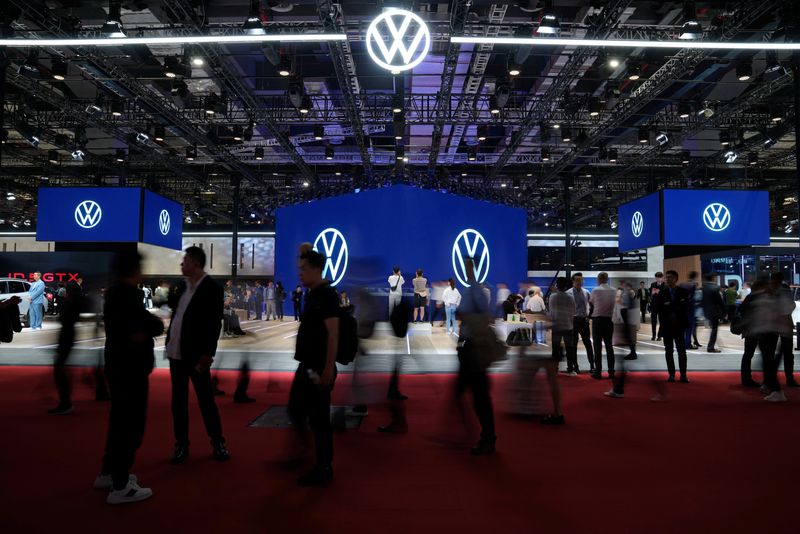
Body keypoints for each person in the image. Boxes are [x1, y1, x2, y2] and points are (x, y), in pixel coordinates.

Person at [95, 251, 164, 504]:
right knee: (131, 426)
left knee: (118, 422)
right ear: (135, 270)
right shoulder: (128, 296)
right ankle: (121, 484)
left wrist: (144, 329)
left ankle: (108, 472)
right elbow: (151, 326)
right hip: (131, 368)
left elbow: (141, 328)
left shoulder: (113, 294)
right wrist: (149, 328)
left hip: (116, 365)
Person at [165, 246, 229, 465]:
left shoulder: (212, 288)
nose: (182, 264)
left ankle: (218, 442)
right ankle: (181, 444)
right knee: (178, 402)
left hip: (196, 356)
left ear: (195, 262)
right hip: (176, 353)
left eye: (185, 260)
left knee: (206, 401)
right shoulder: (181, 287)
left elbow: (213, 324)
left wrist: (208, 354)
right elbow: (177, 316)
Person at [288, 248, 340, 485]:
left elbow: (333, 334)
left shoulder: (327, 295)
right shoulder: (313, 293)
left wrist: (328, 368)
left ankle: (323, 466)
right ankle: (306, 453)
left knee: (319, 418)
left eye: (304, 269)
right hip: (308, 365)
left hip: (318, 367)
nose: (300, 273)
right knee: (297, 409)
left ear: (317, 270)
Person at [455, 257, 497, 455]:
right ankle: (471, 433)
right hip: (467, 348)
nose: (465, 269)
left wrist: (465, 316)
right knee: (468, 394)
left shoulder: (477, 290)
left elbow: (483, 314)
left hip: (474, 349)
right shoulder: (470, 290)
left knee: (479, 396)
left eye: (467, 265)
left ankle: (487, 437)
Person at [48, 277, 83, 415]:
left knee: (59, 369)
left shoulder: (70, 304)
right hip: (68, 336)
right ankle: (65, 401)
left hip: (66, 336)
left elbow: (64, 319)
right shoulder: (75, 303)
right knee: (61, 369)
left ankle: (65, 402)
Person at [655, 270, 690, 383]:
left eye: (670, 277)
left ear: (676, 279)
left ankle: (683, 375)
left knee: (681, 351)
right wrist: (675, 304)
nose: (668, 279)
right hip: (667, 326)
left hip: (679, 326)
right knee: (668, 351)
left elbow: (685, 307)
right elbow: (659, 309)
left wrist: (670, 304)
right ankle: (671, 375)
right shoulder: (662, 292)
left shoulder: (683, 291)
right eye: (667, 277)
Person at [770, 273, 799, 388]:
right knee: (787, 353)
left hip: (772, 323)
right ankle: (789, 379)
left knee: (770, 352)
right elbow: (791, 305)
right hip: (785, 322)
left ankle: (770, 380)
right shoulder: (785, 289)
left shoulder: (768, 289)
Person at [590, 272, 616, 380]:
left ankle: (598, 372)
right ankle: (611, 372)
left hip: (597, 320)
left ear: (599, 279)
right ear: (607, 279)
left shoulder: (596, 290)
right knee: (609, 346)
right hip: (609, 320)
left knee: (597, 347)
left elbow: (591, 302)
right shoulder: (614, 290)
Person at [566, 273, 594, 374]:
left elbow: (592, 305)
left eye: (581, 280)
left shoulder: (586, 292)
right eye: (578, 280)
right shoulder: (568, 293)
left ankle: (592, 365)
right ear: (573, 281)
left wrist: (589, 317)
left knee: (588, 344)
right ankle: (575, 366)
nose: (580, 282)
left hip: (583, 320)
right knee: (574, 345)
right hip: (573, 320)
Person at [702, 274, 724, 353]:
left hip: (707, 311)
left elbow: (703, 301)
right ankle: (710, 347)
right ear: (713, 278)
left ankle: (711, 346)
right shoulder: (715, 288)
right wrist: (724, 312)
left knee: (712, 329)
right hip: (715, 311)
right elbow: (720, 302)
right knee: (714, 329)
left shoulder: (704, 288)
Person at [679, 272, 700, 350]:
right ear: (695, 277)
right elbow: (692, 298)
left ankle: (682, 343)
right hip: (690, 308)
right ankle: (687, 344)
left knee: (682, 328)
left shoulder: (682, 284)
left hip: (682, 308)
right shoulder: (693, 285)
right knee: (689, 327)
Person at [618, 281, 638, 361]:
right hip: (626, 312)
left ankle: (633, 353)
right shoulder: (627, 292)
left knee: (628, 334)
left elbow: (625, 303)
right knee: (627, 334)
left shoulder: (629, 292)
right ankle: (632, 352)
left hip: (627, 313)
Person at [649, 272, 665, 340]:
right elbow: (650, 294)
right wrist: (652, 293)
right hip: (654, 306)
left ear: (662, 278)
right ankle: (653, 335)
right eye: (656, 277)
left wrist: (659, 292)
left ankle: (659, 335)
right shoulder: (653, 284)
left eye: (659, 277)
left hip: (662, 306)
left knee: (662, 321)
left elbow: (665, 295)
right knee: (653, 321)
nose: (658, 279)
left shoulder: (665, 285)